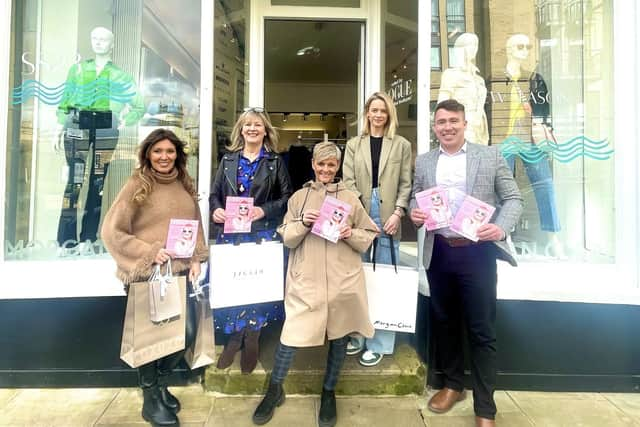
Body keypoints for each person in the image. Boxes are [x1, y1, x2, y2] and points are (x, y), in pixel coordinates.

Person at [409, 99, 522, 427]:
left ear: (464, 123)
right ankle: (453, 384)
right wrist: (416, 215)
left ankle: (485, 407)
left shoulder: (490, 156)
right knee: (445, 322)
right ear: (434, 127)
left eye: (453, 121)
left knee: (481, 329)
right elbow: (419, 196)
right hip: (440, 250)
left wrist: (500, 227)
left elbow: (514, 197)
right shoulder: (425, 161)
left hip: (477, 252)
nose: (447, 127)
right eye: (441, 122)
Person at [252, 141, 378, 427]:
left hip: (342, 281)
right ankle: (275, 388)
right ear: (312, 165)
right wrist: (303, 224)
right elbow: (286, 236)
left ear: (338, 167)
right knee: (291, 335)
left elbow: (368, 233)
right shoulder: (299, 198)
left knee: (339, 336)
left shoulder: (350, 198)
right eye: (321, 164)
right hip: (306, 280)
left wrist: (349, 232)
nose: (325, 169)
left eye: (331, 165)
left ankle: (329, 392)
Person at [101, 128, 208, 427]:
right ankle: (150, 398)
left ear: (178, 154)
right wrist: (148, 251)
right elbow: (111, 231)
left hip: (179, 273)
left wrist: (196, 258)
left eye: (170, 151)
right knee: (149, 339)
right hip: (148, 274)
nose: (164, 157)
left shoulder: (184, 183)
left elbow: (194, 224)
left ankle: (159, 384)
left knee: (183, 334)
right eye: (158, 151)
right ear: (148, 154)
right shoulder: (138, 184)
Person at [209, 107, 292, 373]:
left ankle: (252, 337)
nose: (253, 129)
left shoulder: (274, 162)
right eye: (248, 125)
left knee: (256, 285)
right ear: (241, 130)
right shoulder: (228, 160)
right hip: (232, 235)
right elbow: (214, 194)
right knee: (234, 285)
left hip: (262, 234)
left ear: (265, 130)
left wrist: (264, 210)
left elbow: (288, 197)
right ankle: (235, 338)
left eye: (258, 125)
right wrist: (216, 210)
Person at [54, 26, 144, 247]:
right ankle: (66, 239)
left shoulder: (121, 76)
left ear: (112, 44)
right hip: (78, 122)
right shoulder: (77, 70)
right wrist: (59, 126)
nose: (99, 42)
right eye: (95, 38)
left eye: (104, 39)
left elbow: (138, 106)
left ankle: (88, 237)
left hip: (106, 124)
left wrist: (124, 122)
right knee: (74, 180)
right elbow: (65, 101)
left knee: (97, 181)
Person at [342, 91, 412, 367]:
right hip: (359, 213)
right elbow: (347, 180)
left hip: (389, 216)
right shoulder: (353, 144)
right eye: (374, 110)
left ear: (389, 114)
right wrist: (360, 214)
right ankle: (358, 335)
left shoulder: (401, 145)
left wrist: (398, 213)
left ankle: (380, 341)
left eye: (383, 110)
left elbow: (406, 183)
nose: (378, 115)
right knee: (357, 278)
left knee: (383, 278)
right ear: (367, 113)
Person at [489, 33, 563, 257]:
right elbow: (489, 112)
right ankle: (504, 234)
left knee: (544, 183)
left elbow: (544, 113)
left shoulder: (535, 78)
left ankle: (553, 236)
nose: (525, 51)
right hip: (504, 139)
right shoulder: (495, 78)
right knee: (502, 188)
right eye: (520, 46)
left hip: (530, 139)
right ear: (509, 49)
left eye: (528, 47)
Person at [438, 32, 489, 145]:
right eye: (470, 45)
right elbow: (442, 105)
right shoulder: (450, 75)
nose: (474, 49)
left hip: (480, 127)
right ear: (461, 48)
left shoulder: (479, 79)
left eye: (475, 45)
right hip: (463, 126)